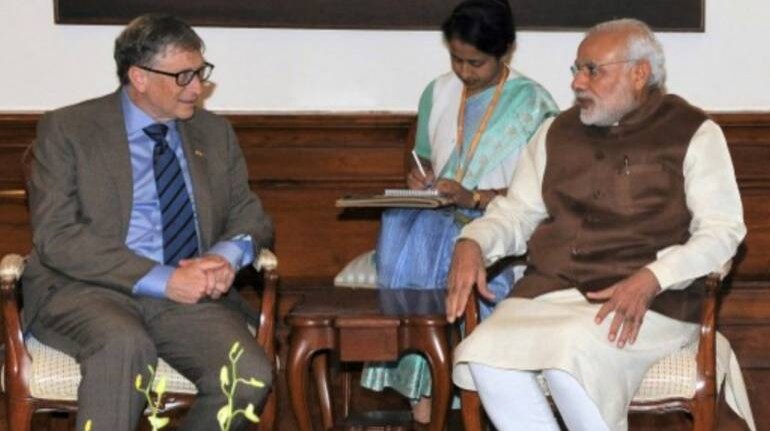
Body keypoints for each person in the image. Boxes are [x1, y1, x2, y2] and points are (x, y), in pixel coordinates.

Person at [446, 18, 755, 431]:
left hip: (649, 303)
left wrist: (654, 277)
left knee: (568, 361)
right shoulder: (555, 132)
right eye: (577, 69)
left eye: (593, 70)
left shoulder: (693, 133)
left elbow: (722, 231)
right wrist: (473, 242)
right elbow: (515, 213)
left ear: (639, 73)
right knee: (483, 353)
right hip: (549, 294)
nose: (577, 82)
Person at [22, 14, 273, 431]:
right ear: (139, 77)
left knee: (248, 375)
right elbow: (57, 236)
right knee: (123, 345)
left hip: (187, 297)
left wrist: (224, 257)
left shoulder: (213, 133)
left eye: (200, 73)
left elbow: (249, 213)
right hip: (87, 289)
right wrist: (163, 278)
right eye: (183, 76)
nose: (197, 88)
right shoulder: (69, 129)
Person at [360, 0, 558, 423]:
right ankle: (421, 387)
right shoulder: (437, 92)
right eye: (456, 59)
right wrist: (422, 179)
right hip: (436, 216)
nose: (464, 72)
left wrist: (475, 198)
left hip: (499, 227)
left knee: (437, 238)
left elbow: (544, 196)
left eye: (476, 63)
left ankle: (446, 390)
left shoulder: (534, 104)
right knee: (401, 220)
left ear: (506, 51)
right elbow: (424, 160)